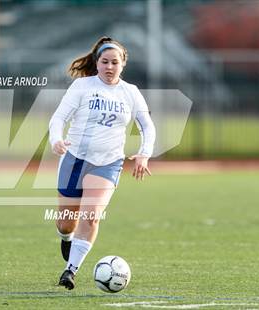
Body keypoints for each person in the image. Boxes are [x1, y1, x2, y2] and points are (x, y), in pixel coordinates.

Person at [49, 37, 156, 290]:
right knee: (66, 222)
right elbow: (59, 118)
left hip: (108, 163)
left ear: (123, 65)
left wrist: (144, 153)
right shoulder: (82, 86)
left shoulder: (130, 92)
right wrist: (56, 140)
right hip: (75, 160)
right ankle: (66, 237)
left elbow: (147, 126)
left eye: (115, 63)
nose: (109, 67)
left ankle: (70, 270)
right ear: (96, 63)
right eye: (105, 62)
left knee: (92, 216)